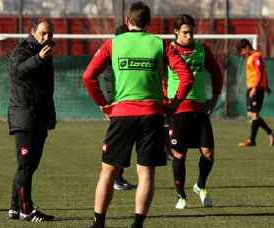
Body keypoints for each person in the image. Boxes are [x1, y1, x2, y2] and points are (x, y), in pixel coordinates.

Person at [83, 2, 194, 227]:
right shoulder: (159, 44)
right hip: (152, 115)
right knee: (146, 173)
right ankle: (137, 224)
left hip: (122, 114)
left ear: (127, 21)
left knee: (108, 171)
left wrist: (103, 104)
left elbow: (88, 76)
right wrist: (173, 105)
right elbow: (187, 77)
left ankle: (99, 223)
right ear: (148, 23)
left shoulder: (113, 43)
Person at [166, 14, 223, 210]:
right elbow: (159, 78)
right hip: (178, 110)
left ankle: (200, 185)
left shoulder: (202, 49)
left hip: (199, 109)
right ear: (176, 32)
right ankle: (181, 196)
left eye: (192, 31)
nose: (189, 36)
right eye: (185, 32)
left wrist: (214, 98)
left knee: (208, 154)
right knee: (179, 155)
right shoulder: (168, 50)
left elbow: (216, 74)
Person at [7, 18, 56, 222]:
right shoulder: (22, 50)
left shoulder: (46, 53)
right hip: (24, 117)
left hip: (39, 117)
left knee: (28, 166)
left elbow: (46, 89)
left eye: (50, 34)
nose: (47, 37)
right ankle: (27, 209)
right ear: (33, 31)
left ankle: (14, 208)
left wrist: (50, 115)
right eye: (43, 33)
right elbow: (17, 71)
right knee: (26, 165)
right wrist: (38, 59)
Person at [103, 23, 137, 191]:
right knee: (119, 144)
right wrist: (109, 104)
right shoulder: (114, 54)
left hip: (124, 106)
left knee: (125, 142)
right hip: (119, 105)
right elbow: (108, 81)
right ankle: (115, 177)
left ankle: (119, 176)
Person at [236, 39, 274, 147]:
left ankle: (254, 139)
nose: (242, 54)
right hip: (252, 88)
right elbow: (262, 72)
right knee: (252, 114)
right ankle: (267, 134)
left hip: (255, 88)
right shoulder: (251, 57)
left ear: (247, 47)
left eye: (242, 51)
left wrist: (255, 88)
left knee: (254, 114)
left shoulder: (257, 56)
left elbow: (260, 72)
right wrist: (265, 86)